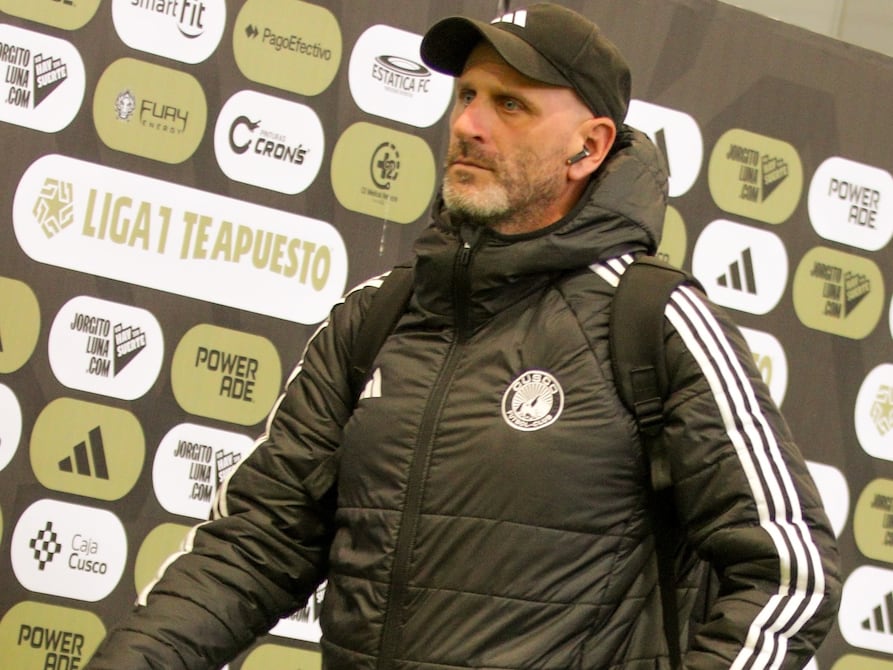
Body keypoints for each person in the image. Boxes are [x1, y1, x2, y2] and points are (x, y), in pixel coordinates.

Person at [86, 3, 841, 669]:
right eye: (467, 96)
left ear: (587, 147)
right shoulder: (375, 317)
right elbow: (255, 545)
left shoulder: (653, 320)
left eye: (510, 104)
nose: (468, 126)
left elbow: (790, 573)